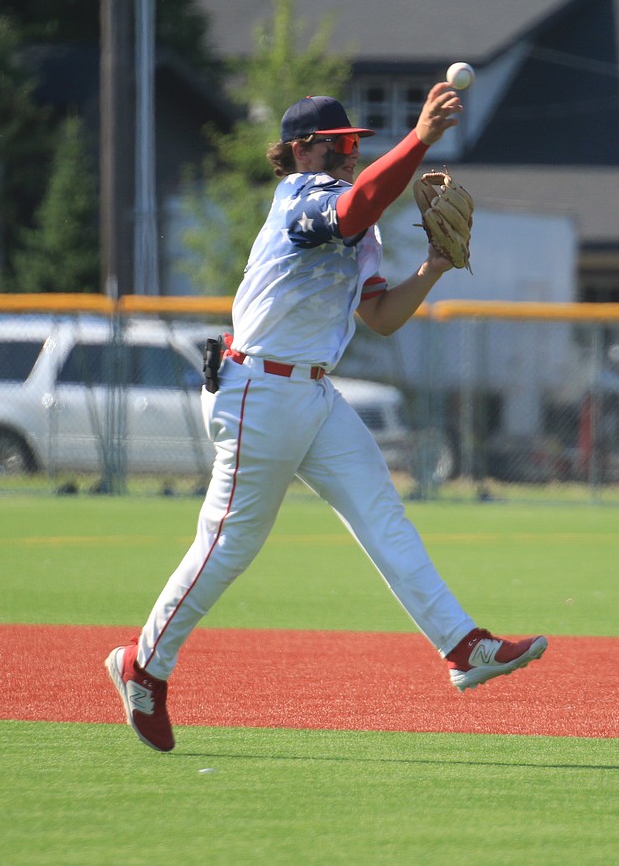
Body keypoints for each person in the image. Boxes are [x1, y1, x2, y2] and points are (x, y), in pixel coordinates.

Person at [106, 83, 547, 752]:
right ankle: (143, 666)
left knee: (382, 514)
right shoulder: (299, 200)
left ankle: (462, 647)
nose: (348, 155)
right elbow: (356, 204)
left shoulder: (354, 222)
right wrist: (420, 137)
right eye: (340, 145)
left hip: (310, 394)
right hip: (258, 388)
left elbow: (382, 317)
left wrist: (433, 265)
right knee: (228, 547)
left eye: (353, 147)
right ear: (301, 150)